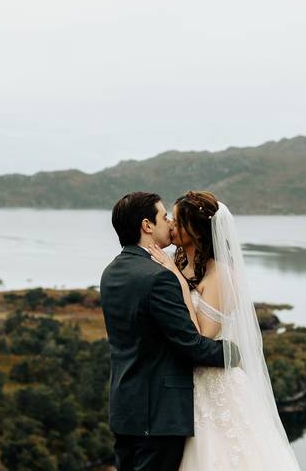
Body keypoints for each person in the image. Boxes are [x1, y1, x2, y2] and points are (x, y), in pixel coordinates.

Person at [145, 191, 301, 471]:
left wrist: (176, 281)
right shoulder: (178, 262)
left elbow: (201, 337)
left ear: (198, 230)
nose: (171, 227)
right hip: (182, 384)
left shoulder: (221, 275)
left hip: (213, 384)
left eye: (178, 222)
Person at [101, 191, 233, 471]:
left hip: (125, 409)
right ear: (147, 226)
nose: (170, 223)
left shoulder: (112, 271)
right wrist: (235, 352)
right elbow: (190, 344)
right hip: (158, 415)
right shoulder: (159, 277)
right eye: (164, 217)